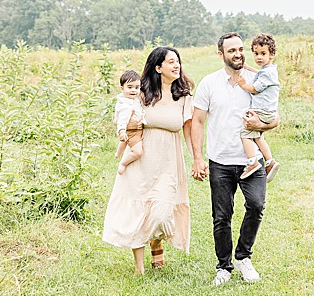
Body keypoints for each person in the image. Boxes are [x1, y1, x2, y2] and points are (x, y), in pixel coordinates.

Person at [191, 32, 280, 286]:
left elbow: (275, 118)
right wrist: (198, 158)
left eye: (241, 49)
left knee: (256, 205)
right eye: (232, 50)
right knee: (221, 216)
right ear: (221, 55)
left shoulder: (257, 78)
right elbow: (197, 121)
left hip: (250, 160)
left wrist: (261, 123)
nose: (239, 54)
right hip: (219, 160)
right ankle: (224, 266)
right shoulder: (209, 83)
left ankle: (243, 256)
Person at [102, 47, 195, 275]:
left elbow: (189, 131)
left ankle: (156, 241)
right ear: (158, 67)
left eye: (178, 62)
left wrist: (197, 159)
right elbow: (122, 115)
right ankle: (139, 268)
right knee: (139, 209)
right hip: (141, 160)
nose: (176, 66)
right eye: (170, 62)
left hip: (168, 163)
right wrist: (125, 132)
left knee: (162, 213)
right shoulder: (141, 94)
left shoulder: (183, 96)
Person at [232, 32, 280, 182]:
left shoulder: (267, 74)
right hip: (268, 111)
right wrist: (249, 68)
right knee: (258, 136)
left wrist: (243, 84)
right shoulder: (268, 70)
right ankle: (269, 161)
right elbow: (259, 73)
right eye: (256, 53)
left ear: (271, 54)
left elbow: (255, 88)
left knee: (245, 133)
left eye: (263, 53)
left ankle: (252, 162)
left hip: (262, 111)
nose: (259, 57)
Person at [113, 69, 144, 174]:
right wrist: (121, 131)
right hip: (131, 130)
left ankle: (118, 153)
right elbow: (121, 120)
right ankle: (123, 163)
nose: (133, 90)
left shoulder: (133, 100)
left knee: (124, 140)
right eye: (130, 87)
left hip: (134, 128)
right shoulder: (125, 105)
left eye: (136, 88)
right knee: (137, 152)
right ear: (122, 88)